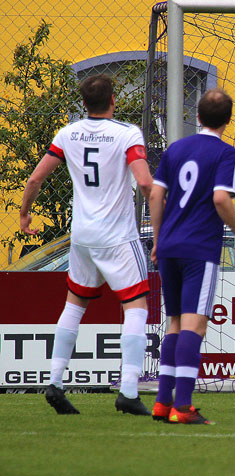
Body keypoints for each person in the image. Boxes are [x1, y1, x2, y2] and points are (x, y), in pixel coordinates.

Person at [20, 73, 154, 415]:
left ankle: (54, 382)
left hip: (82, 237)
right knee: (137, 306)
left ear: (83, 103)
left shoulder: (68, 134)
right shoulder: (126, 134)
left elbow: (36, 178)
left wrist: (24, 215)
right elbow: (144, 182)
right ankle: (128, 391)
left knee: (74, 304)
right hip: (117, 236)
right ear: (113, 100)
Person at [149, 88, 235, 425]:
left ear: (199, 116)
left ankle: (162, 403)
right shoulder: (225, 153)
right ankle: (183, 407)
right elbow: (221, 198)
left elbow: (156, 194)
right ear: (227, 120)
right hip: (199, 248)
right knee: (195, 323)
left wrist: (158, 239)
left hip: (170, 246)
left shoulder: (175, 149)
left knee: (174, 321)